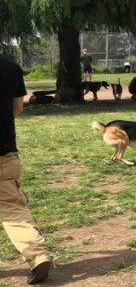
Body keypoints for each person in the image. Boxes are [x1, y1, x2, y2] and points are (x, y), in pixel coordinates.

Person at [0, 55, 53, 284]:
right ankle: (37, 255)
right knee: (11, 208)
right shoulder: (10, 66)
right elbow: (18, 107)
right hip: (4, 152)